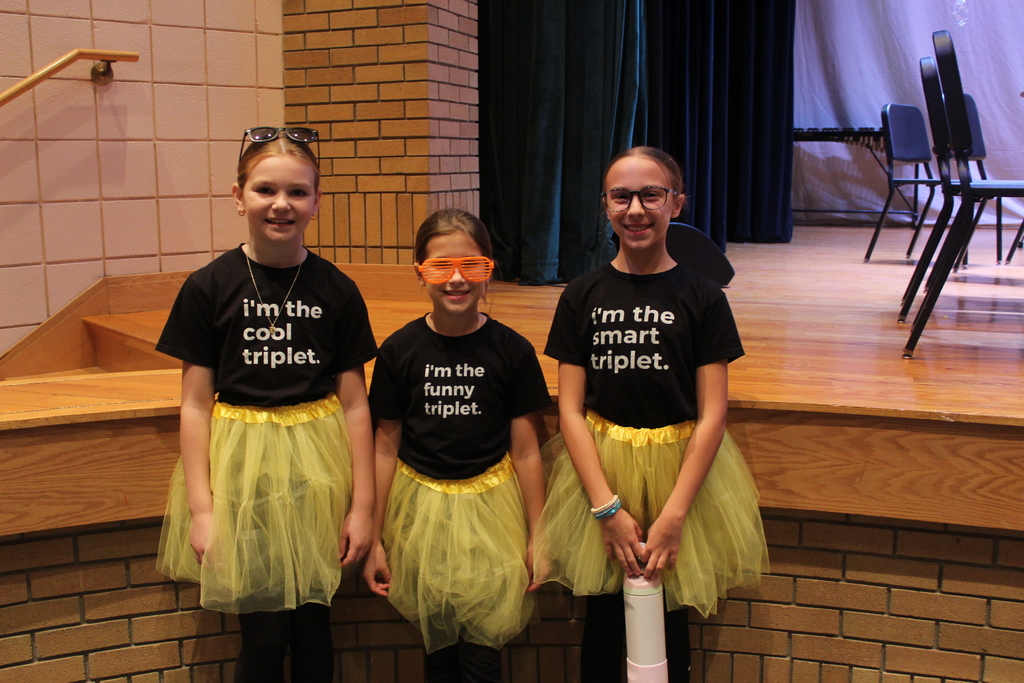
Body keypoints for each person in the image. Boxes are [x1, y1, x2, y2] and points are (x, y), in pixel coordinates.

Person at [536, 146, 769, 682]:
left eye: (651, 195)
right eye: (622, 196)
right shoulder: (581, 295)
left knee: (670, 617)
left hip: (679, 477)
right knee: (602, 620)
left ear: (677, 203)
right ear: (605, 206)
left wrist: (674, 516)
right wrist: (605, 508)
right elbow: (569, 409)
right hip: (602, 473)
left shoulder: (704, 298)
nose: (635, 209)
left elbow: (713, 414)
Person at [154, 127, 377, 683]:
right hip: (241, 475)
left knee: (312, 625)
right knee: (263, 630)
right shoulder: (209, 286)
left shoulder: (337, 290)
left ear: (317, 202)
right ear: (238, 197)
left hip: (315, 472)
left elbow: (354, 404)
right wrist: (203, 510)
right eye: (265, 190)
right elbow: (195, 405)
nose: (281, 204)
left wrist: (364, 506)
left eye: (298, 192)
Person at [363, 208, 551, 683]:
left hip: (492, 512)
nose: (457, 279)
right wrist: (376, 538)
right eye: (441, 267)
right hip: (419, 513)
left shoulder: (512, 351)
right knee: (439, 650)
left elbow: (527, 451)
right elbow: (384, 448)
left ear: (490, 270)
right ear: (420, 274)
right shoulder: (399, 351)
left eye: (472, 266)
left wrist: (538, 535)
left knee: (483, 656)